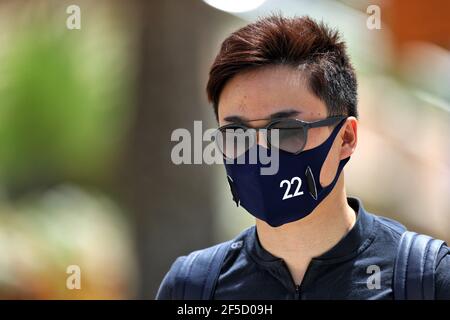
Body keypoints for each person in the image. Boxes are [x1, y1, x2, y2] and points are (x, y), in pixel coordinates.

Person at [156, 15, 450, 300]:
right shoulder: (192, 288)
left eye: (285, 131)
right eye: (236, 134)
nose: (261, 153)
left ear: (346, 138)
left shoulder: (424, 279)